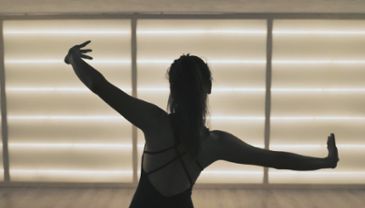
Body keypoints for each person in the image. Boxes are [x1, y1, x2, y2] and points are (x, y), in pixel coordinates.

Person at [65, 41, 339, 208]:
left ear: (172, 88)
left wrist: (73, 58)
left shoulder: (153, 121)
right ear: (207, 87)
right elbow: (278, 159)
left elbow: (97, 84)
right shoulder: (216, 143)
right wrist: (326, 162)